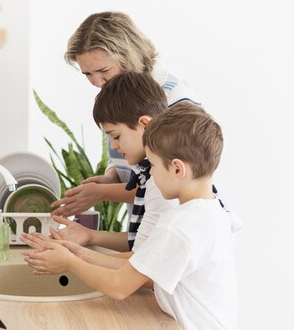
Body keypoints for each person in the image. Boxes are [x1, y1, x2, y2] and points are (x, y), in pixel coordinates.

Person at [24, 103, 239, 330]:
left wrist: (70, 262)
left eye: (154, 165)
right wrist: (79, 253)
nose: (151, 173)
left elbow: (119, 286)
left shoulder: (179, 226)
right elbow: (139, 266)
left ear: (177, 169)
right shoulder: (209, 214)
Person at [51, 11, 202, 219]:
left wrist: (103, 193)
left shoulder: (174, 99)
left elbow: (173, 185)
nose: (96, 83)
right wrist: (112, 178)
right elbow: (131, 157)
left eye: (103, 70)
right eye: (87, 74)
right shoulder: (121, 96)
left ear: (127, 56)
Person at [25, 72, 176, 261]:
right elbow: (143, 244)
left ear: (145, 125)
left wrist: (72, 259)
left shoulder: (162, 184)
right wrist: (89, 236)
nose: (113, 146)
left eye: (116, 136)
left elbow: (140, 267)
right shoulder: (149, 175)